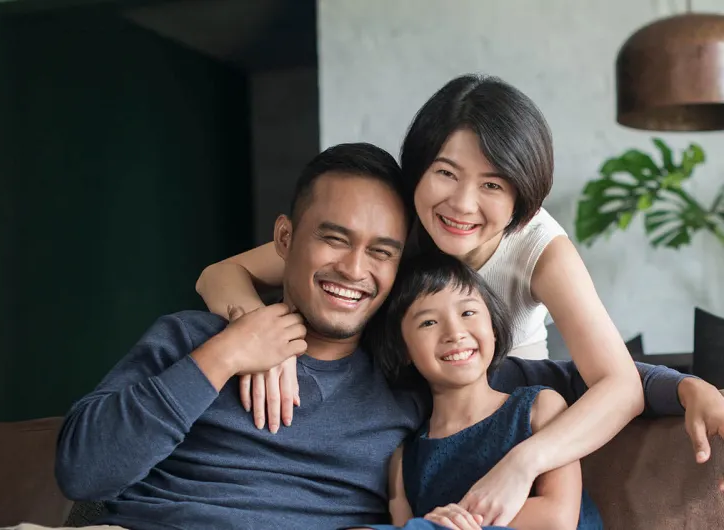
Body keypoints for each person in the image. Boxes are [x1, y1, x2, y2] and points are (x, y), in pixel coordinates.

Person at [51, 143, 701, 530]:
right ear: (285, 240)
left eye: (381, 252)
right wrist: (224, 355)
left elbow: (584, 379)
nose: (354, 270)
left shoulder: (407, 371)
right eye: (334, 239)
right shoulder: (190, 336)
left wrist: (693, 390)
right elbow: (82, 471)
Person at [193, 73, 681, 523]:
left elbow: (619, 386)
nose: (462, 204)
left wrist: (523, 462)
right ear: (418, 169)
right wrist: (260, 337)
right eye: (446, 173)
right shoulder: (393, 223)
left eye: (492, 184)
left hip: (501, 430)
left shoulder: (540, 250)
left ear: (522, 197)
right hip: (413, 430)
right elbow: (221, 274)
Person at [357, 252, 603, 530]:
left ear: (493, 328)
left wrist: (448, 525)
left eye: (467, 313)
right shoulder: (405, 458)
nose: (455, 332)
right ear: (403, 350)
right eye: (428, 322)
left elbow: (556, 519)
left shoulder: (538, 407)